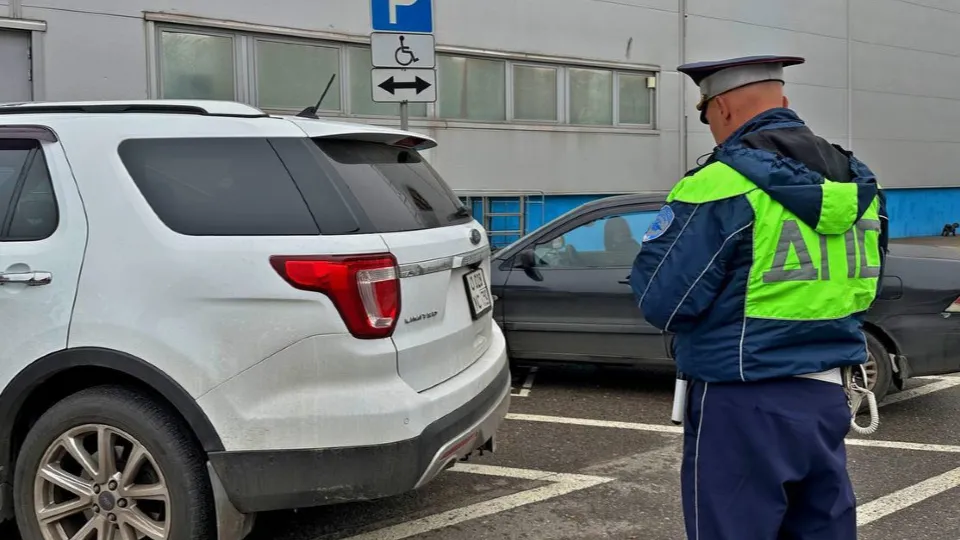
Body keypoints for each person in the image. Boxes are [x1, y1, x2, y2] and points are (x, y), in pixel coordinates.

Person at [629, 55, 889, 540]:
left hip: (741, 397)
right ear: (784, 103)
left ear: (722, 108)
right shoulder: (859, 185)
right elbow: (865, 285)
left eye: (704, 115)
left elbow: (664, 300)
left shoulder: (720, 184)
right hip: (831, 390)